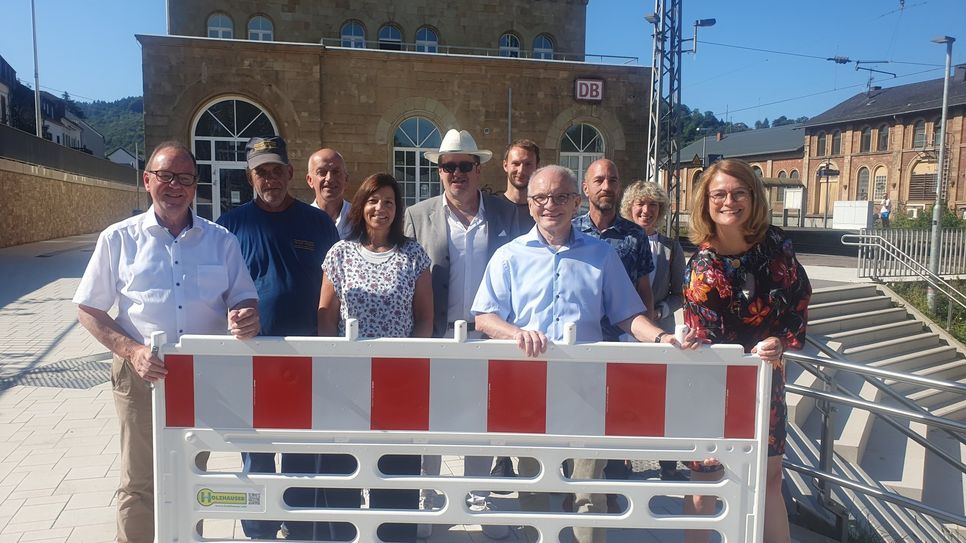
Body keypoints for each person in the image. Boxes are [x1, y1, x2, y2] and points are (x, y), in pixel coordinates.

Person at [473, 165, 694, 543]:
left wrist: (662, 339)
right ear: (530, 205)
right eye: (541, 198)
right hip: (528, 387)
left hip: (586, 388)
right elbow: (483, 317)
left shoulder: (601, 254)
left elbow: (628, 314)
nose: (550, 206)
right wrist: (516, 333)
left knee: (589, 490)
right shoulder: (508, 256)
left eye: (560, 197)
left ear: (577, 202)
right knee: (532, 485)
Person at [73, 141, 260, 543]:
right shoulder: (118, 239)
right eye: (166, 176)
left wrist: (245, 315)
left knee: (192, 474)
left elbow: (243, 295)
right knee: (140, 480)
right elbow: (88, 309)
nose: (175, 185)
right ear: (147, 180)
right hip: (140, 374)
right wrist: (132, 351)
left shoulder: (221, 240)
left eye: (185, 179)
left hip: (202, 376)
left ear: (195, 187)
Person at [217, 136, 342, 540]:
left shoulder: (317, 223)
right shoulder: (230, 226)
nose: (269, 179)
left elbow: (336, 283)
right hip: (251, 357)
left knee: (302, 448)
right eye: (261, 172)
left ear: (290, 174)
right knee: (256, 448)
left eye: (276, 170)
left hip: (308, 356)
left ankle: (302, 521)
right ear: (250, 176)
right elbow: (213, 291)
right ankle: (260, 527)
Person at [683, 158, 811, 543]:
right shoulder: (704, 267)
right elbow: (707, 339)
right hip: (712, 387)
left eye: (739, 193)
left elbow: (798, 300)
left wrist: (782, 340)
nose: (729, 201)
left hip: (766, 382)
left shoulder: (776, 245)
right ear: (705, 202)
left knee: (771, 479)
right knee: (706, 481)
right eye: (719, 194)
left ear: (753, 198)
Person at [403, 128, 521, 540]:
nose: (457, 173)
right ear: (439, 172)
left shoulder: (507, 215)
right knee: (432, 422)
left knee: (483, 422)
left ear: (479, 168)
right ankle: (432, 503)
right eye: (448, 166)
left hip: (490, 337)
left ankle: (478, 498)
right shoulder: (418, 216)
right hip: (435, 335)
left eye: (464, 166)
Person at [318, 173, 433, 542]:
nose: (380, 208)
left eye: (388, 202)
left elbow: (426, 317)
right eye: (372, 200)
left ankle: (394, 534)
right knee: (344, 469)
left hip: (396, 381)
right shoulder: (340, 253)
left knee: (395, 471)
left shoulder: (413, 255)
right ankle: (344, 535)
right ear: (361, 205)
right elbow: (325, 314)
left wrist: (408, 363)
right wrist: (332, 364)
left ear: (397, 209)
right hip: (347, 381)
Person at [572, 159, 656, 510]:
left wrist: (647, 335)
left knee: (612, 422)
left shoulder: (635, 235)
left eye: (613, 179)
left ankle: (603, 490)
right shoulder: (571, 230)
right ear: (586, 189)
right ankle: (576, 491)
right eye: (599, 180)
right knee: (573, 419)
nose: (607, 186)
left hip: (620, 343)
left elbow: (643, 289)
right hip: (578, 346)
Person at [621, 180, 686, 480]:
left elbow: (679, 292)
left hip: (660, 329)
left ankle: (668, 463)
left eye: (653, 206)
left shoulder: (671, 248)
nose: (646, 211)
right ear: (630, 207)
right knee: (623, 397)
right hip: (622, 332)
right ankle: (621, 459)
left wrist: (658, 312)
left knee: (664, 399)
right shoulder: (618, 241)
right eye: (640, 204)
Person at [491, 139, 540, 480]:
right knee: (498, 395)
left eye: (529, 164)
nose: (522, 170)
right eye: (517, 163)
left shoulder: (546, 208)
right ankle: (501, 456)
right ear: (505, 166)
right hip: (498, 322)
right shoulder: (490, 208)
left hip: (536, 325)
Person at [307, 147, 352, 239]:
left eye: (336, 172)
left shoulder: (360, 219)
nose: (329, 178)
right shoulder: (301, 220)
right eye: (322, 172)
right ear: (310, 180)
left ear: (346, 179)